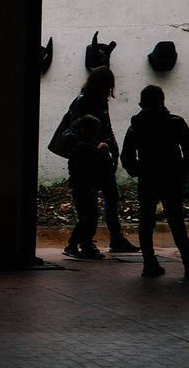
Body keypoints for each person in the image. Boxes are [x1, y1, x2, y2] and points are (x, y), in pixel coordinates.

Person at [119, 85, 189, 279]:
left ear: (141, 103)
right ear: (163, 101)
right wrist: (184, 168)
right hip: (170, 177)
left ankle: (149, 264)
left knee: (146, 221)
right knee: (176, 221)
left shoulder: (136, 126)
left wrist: (138, 170)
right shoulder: (174, 123)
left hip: (148, 177)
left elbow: (127, 155)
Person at [58, 67, 140, 254]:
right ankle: (88, 242)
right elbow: (73, 131)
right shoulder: (83, 101)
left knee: (110, 197)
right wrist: (96, 147)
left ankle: (111, 239)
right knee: (93, 206)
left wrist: (113, 150)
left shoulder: (99, 100)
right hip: (89, 161)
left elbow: (106, 128)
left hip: (100, 157)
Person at [61, 114, 112, 261]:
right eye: (94, 130)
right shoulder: (83, 146)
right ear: (85, 130)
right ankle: (73, 245)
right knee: (88, 218)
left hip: (84, 186)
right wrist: (100, 150)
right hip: (85, 186)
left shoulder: (82, 144)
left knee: (88, 218)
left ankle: (84, 245)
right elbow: (88, 164)